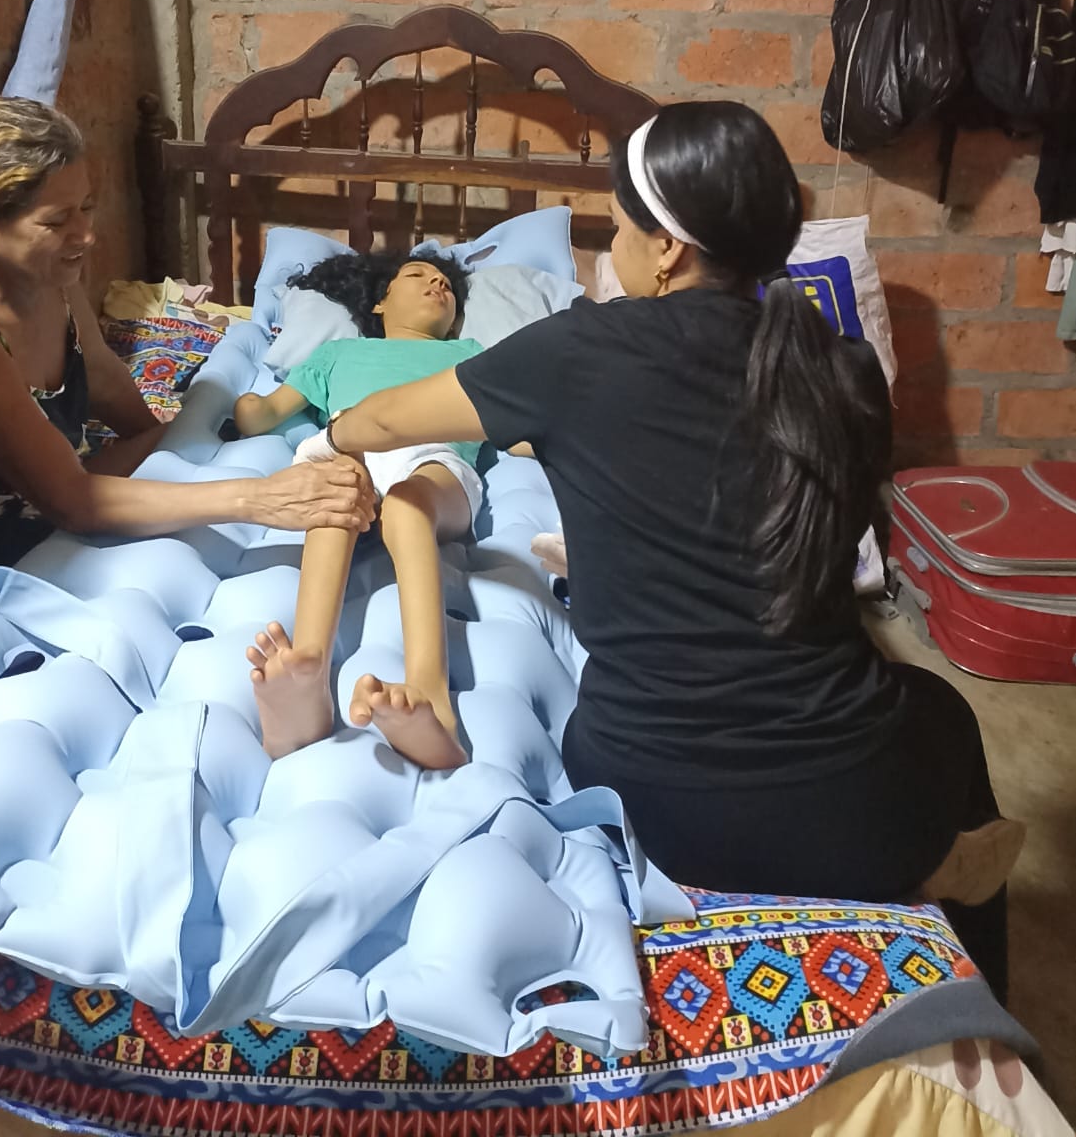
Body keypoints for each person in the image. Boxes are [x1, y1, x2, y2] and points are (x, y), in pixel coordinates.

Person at [307, 102, 1022, 1001]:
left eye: (617, 226)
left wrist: (330, 435)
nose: (611, 246)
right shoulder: (841, 368)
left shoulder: (575, 353)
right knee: (941, 711)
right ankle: (977, 981)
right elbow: (807, 550)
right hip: (857, 810)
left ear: (668, 249)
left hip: (652, 805)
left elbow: (380, 422)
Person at [0, 98, 373, 617]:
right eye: (57, 220)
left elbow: (103, 378)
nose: (86, 235)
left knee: (224, 431)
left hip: (45, 488)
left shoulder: (46, 271)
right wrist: (260, 498)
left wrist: (180, 449)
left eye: (87, 207)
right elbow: (74, 502)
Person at [233, 251, 483, 770]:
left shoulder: (469, 353)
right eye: (417, 275)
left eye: (446, 284)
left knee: (409, 506)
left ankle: (432, 697)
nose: (437, 284)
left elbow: (517, 421)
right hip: (350, 444)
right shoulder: (339, 353)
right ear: (380, 302)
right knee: (336, 486)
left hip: (433, 455)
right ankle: (309, 667)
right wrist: (242, 403)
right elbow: (266, 413)